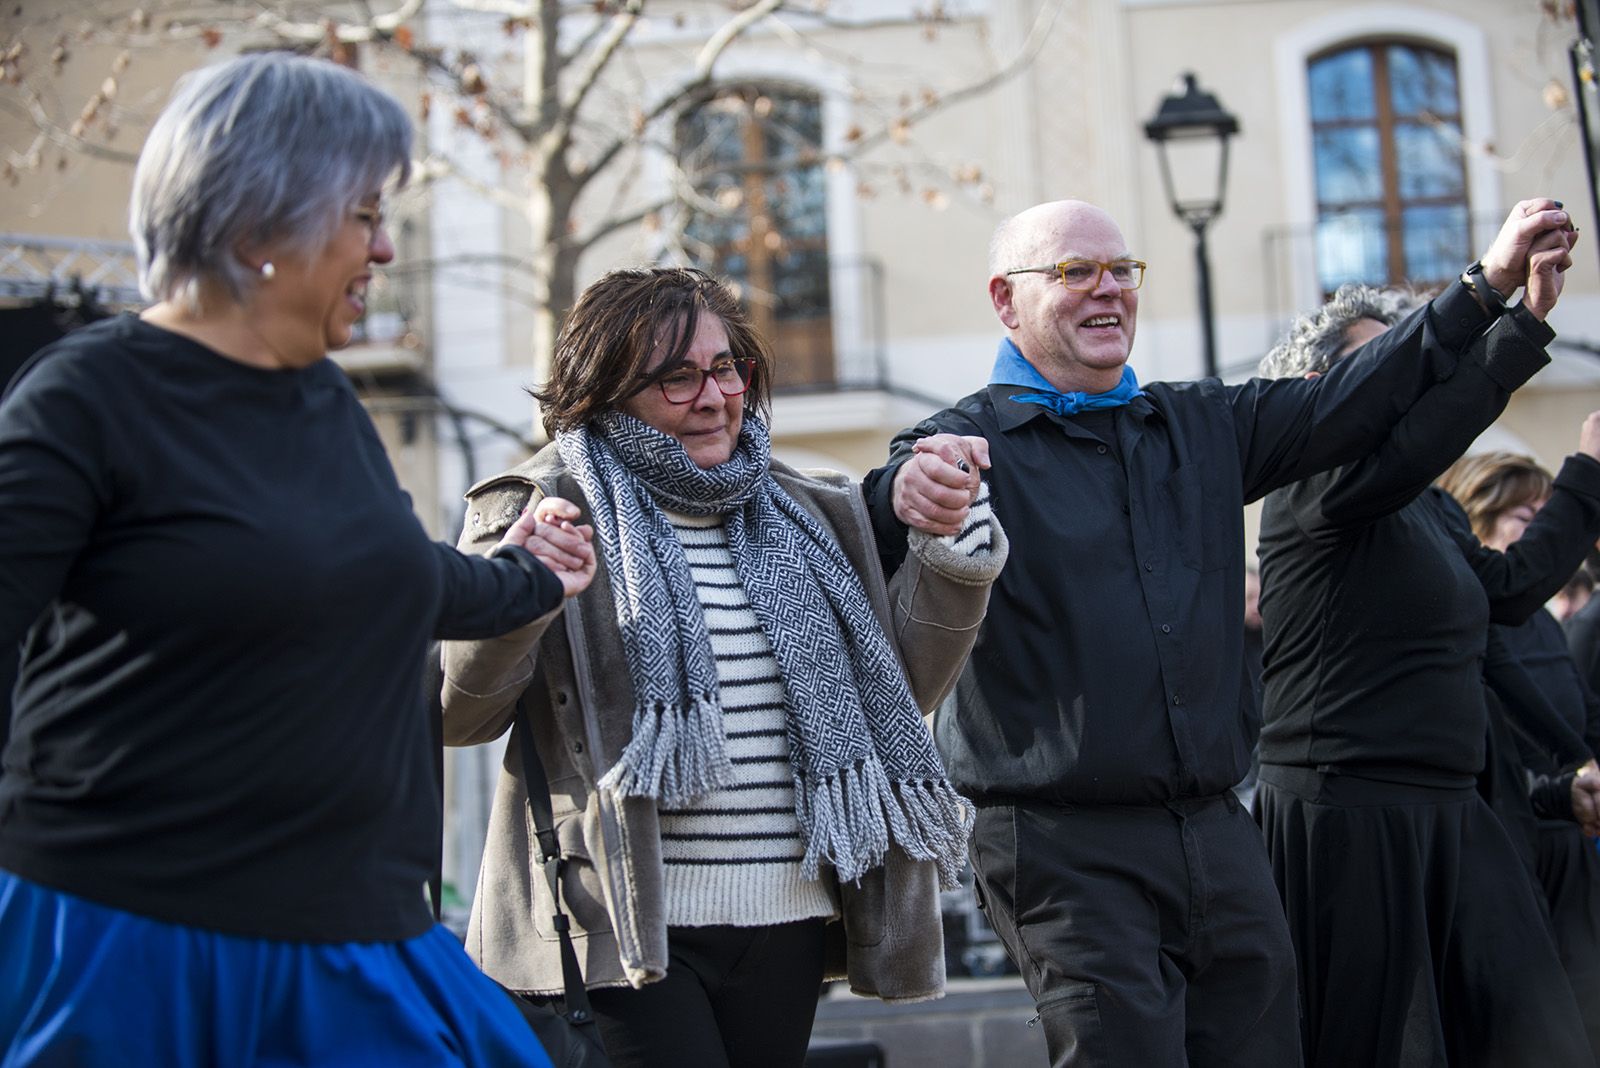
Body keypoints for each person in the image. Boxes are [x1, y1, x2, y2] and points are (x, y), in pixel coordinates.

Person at [861, 196, 1574, 1067]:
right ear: (1007, 301)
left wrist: (1488, 285)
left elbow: (1362, 392)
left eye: (1121, 270)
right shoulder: (962, 442)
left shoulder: (1199, 423)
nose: (1107, 290)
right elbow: (879, 507)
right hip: (1060, 845)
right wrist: (908, 489)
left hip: (1217, 834)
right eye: (1074, 272)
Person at [0, 53, 598, 1067]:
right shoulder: (85, 399)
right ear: (257, 227)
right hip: (130, 937)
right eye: (363, 215)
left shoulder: (327, 405)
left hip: (354, 931)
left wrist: (531, 574)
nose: (382, 247)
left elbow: (391, 577)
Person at [439, 267, 1006, 1068]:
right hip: (618, 928)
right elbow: (458, 715)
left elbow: (901, 692)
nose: (714, 397)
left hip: (787, 921)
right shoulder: (539, 508)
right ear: (605, 390)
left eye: (725, 367)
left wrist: (949, 549)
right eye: (675, 378)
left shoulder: (808, 510)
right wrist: (519, 591)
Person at [1254, 255, 1599, 1067]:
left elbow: (1511, 591)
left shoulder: (1428, 506)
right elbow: (1429, 430)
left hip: (1454, 808)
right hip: (1351, 812)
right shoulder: (1309, 479)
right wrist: (1518, 327)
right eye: (1386, 365)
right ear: (1321, 384)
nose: (1404, 384)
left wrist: (1587, 473)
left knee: (1539, 1036)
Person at [1438, 450, 1600, 1060]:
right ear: (1477, 515)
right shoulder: (1473, 621)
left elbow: (1582, 716)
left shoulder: (1546, 623)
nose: (1540, 531)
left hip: (1570, 843)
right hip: (1509, 847)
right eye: (1525, 516)